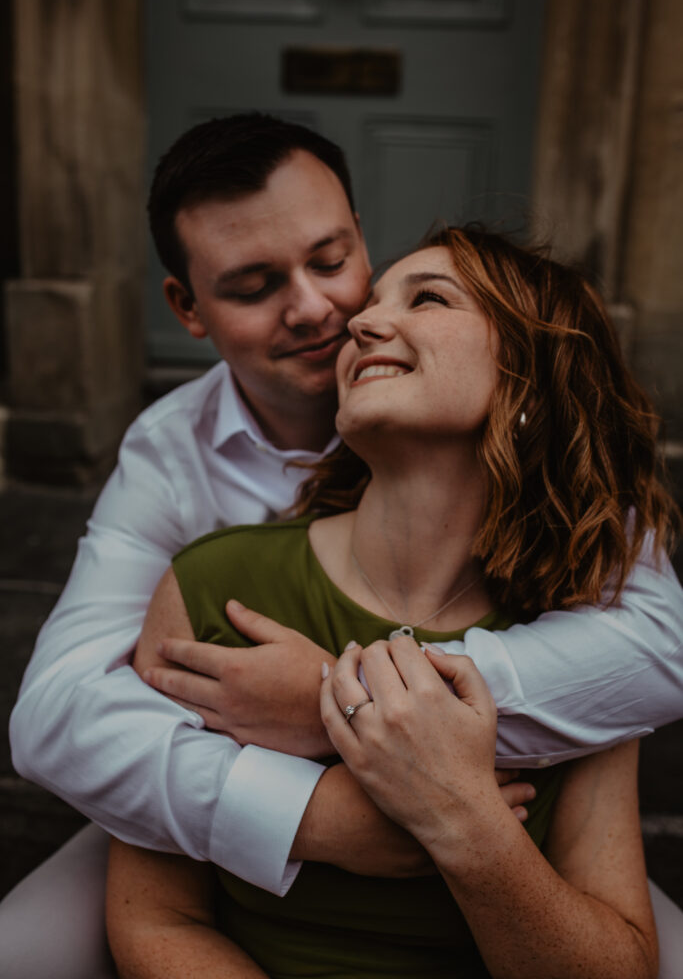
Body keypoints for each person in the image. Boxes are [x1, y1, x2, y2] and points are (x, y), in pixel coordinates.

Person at [4, 115, 683, 978]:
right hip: (215, 827)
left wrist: (341, 703)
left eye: (331, 262)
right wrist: (309, 811)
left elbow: (657, 652)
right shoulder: (177, 475)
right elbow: (58, 718)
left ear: (360, 234)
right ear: (188, 309)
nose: (328, 312)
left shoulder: (561, 519)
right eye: (253, 285)